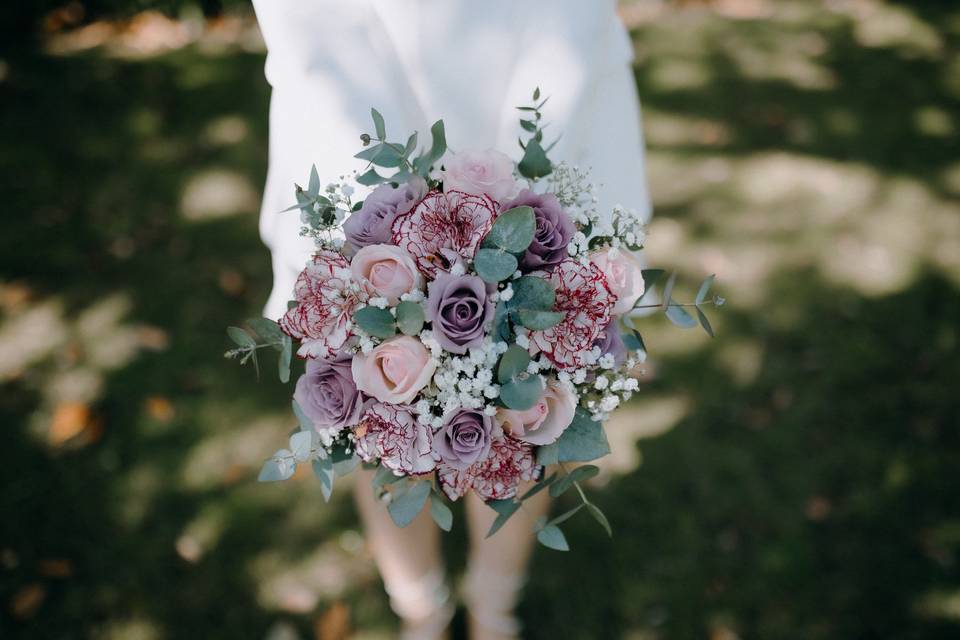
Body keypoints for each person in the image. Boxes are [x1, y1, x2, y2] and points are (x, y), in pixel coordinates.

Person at [251, 1, 651, 638]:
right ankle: (424, 610)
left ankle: (495, 607)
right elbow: (313, 29)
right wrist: (380, 209)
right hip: (351, 92)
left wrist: (520, 195)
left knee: (537, 403)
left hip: (546, 75)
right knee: (366, 407)